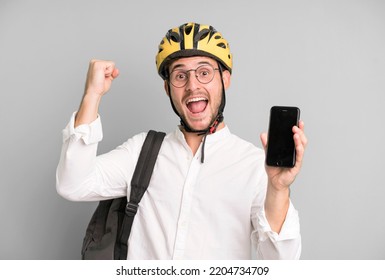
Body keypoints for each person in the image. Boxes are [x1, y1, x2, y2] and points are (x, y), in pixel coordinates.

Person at [56, 22, 307, 259]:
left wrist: (278, 190)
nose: (192, 85)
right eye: (180, 76)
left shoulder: (254, 165)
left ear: (225, 79)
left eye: (204, 72)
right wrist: (92, 94)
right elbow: (73, 184)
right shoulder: (142, 151)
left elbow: (280, 263)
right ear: (167, 88)